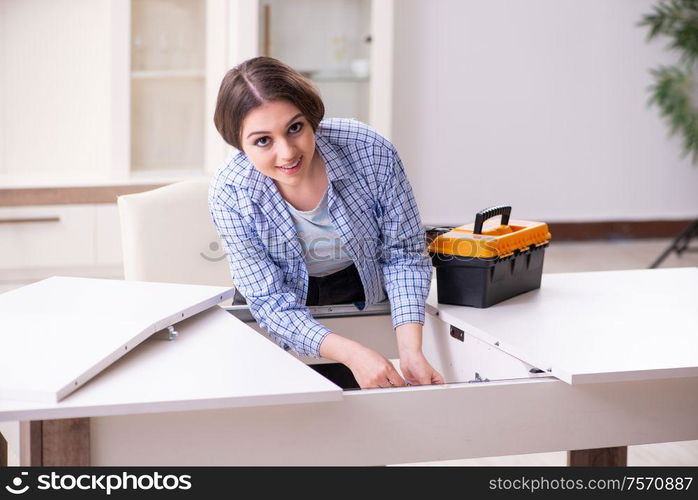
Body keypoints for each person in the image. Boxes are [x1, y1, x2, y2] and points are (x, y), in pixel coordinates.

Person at [209, 56, 444, 389]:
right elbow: (270, 301)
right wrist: (353, 353)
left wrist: (410, 351)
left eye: (295, 128)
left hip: (356, 288)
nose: (287, 153)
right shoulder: (230, 191)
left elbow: (403, 255)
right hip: (276, 302)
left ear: (311, 119)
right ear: (239, 144)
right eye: (263, 141)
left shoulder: (369, 151)